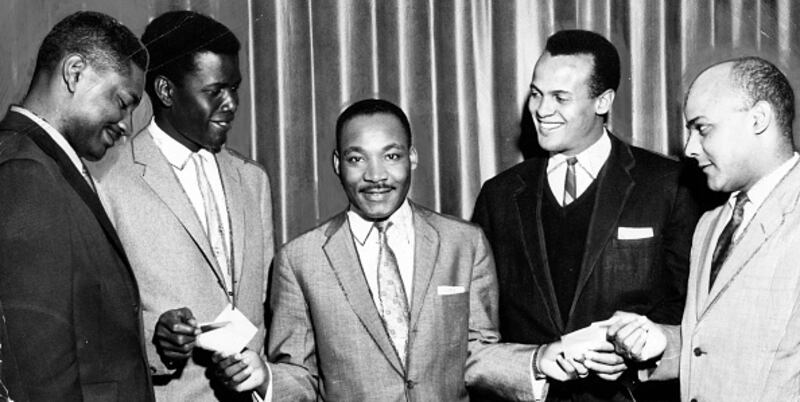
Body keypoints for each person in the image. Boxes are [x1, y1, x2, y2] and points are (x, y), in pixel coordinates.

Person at [213, 98, 548, 401]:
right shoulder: (299, 260)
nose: (375, 176)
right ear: (337, 164)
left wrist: (540, 360)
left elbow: (478, 354)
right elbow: (301, 375)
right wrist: (265, 378)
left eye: (391, 156)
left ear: (412, 157)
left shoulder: (464, 243)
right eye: (357, 159)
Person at [471, 29, 700, 401]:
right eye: (536, 94)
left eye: (560, 97)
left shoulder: (668, 185)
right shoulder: (499, 195)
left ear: (603, 101)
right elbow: (481, 326)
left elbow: (688, 307)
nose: (542, 110)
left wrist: (637, 353)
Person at [89, 10, 273, 401]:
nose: (231, 104)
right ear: (166, 91)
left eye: (235, 88)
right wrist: (155, 338)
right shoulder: (109, 183)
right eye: (215, 91)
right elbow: (94, 323)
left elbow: (265, 310)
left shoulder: (253, 180)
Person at [608, 56, 800, 401]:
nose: (690, 149)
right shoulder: (710, 224)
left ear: (758, 119)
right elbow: (712, 345)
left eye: (703, 129)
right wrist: (660, 342)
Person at [0, 11, 153, 401]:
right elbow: (38, 367)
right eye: (122, 101)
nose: (127, 125)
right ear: (74, 72)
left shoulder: (49, 166)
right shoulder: (27, 173)